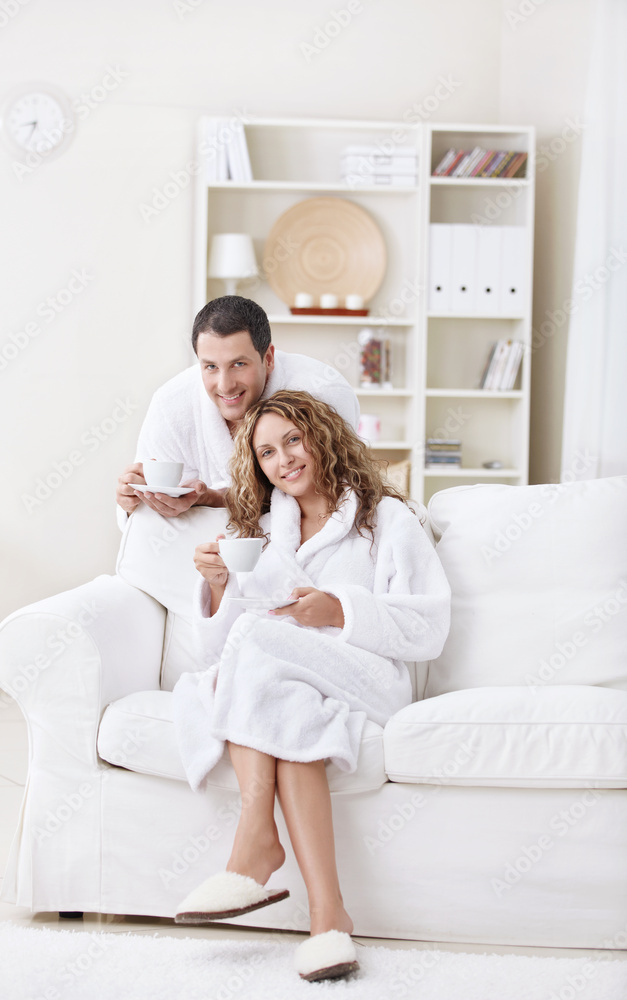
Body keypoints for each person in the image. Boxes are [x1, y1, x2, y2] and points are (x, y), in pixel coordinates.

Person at [171, 390, 451, 983]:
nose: (284, 460)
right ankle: (328, 919)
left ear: (322, 437)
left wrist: (340, 611)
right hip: (291, 681)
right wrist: (219, 586)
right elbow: (223, 655)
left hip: (368, 677)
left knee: (258, 641)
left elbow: (428, 626)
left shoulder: (386, 519)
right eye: (267, 452)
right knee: (289, 706)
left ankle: (255, 839)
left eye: (293, 440)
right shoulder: (263, 533)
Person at [115, 295, 360, 524]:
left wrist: (217, 500)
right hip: (199, 545)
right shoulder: (171, 406)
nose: (225, 385)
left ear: (268, 358)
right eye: (211, 367)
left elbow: (330, 495)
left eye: (239, 364)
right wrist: (132, 503)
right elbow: (144, 520)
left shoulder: (323, 392)